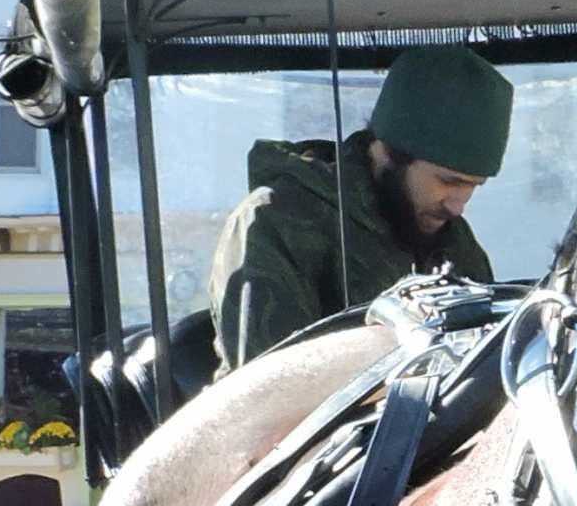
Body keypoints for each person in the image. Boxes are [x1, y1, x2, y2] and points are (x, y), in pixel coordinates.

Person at [207, 47, 514, 367]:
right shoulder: (275, 222)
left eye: (473, 187)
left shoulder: (451, 237)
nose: (458, 206)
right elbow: (268, 386)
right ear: (389, 152)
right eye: (448, 181)